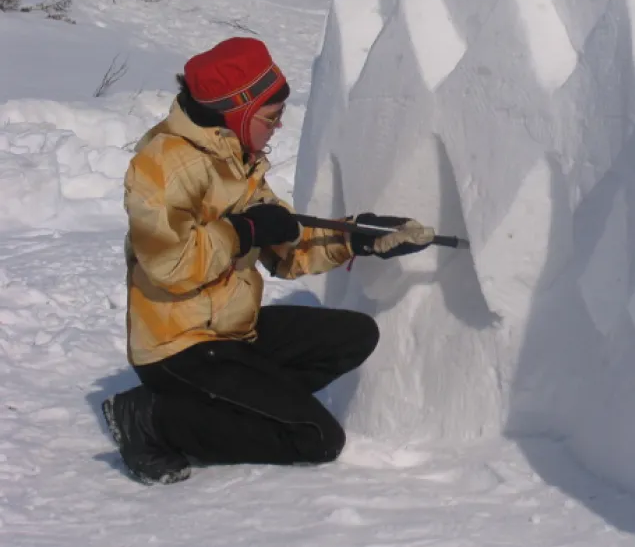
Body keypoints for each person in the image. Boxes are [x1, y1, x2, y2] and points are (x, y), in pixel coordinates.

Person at [101, 37, 435, 485]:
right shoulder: (163, 166)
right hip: (179, 348)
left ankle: (240, 405)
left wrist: (361, 236)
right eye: (272, 116)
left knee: (355, 335)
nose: (279, 126)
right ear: (236, 112)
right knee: (316, 438)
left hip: (231, 332)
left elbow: (286, 246)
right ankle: (151, 418)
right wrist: (244, 232)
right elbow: (170, 265)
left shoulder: (237, 160)